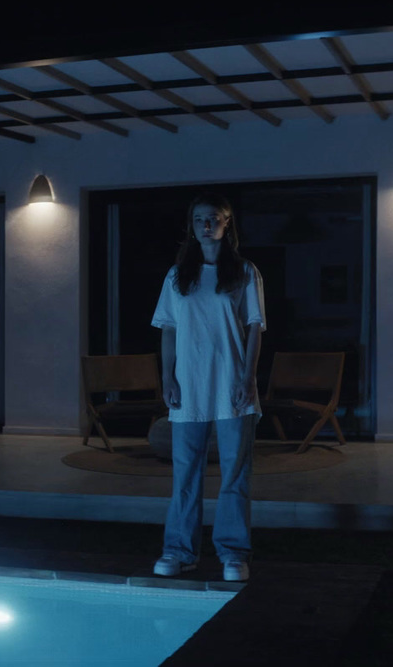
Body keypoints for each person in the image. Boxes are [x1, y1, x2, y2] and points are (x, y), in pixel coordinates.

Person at [149, 192, 265, 582]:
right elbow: (168, 329)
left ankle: (233, 554)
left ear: (226, 223)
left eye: (214, 218)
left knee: (235, 472)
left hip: (232, 384)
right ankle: (179, 551)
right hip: (189, 387)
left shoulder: (245, 272)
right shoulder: (177, 276)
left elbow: (254, 328)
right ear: (192, 226)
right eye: (200, 219)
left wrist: (248, 378)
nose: (206, 224)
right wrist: (167, 377)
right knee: (186, 474)